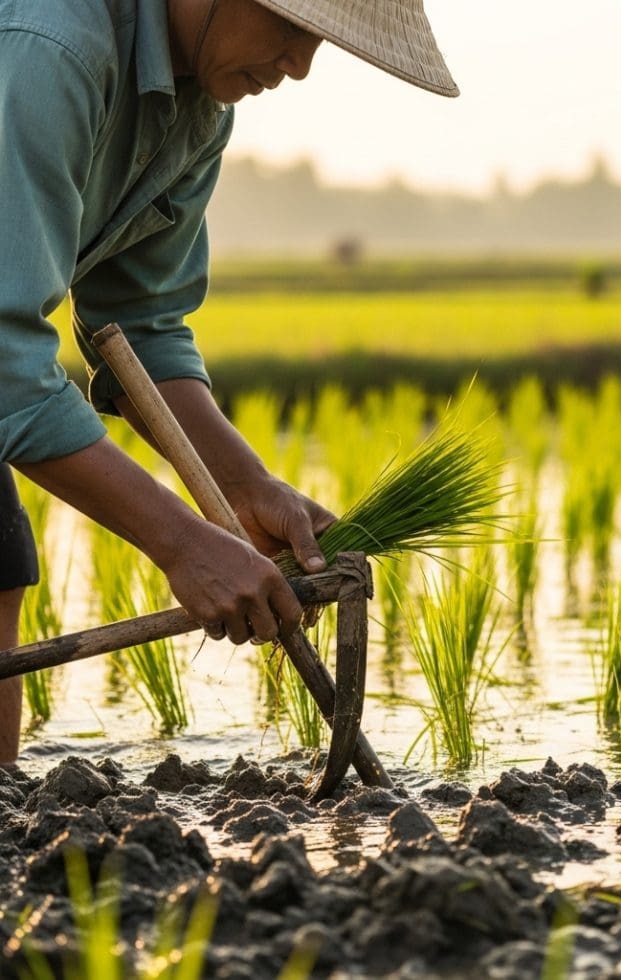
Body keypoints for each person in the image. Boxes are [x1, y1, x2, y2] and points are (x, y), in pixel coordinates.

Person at [0, 0, 458, 763]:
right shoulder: (55, 50)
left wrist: (246, 489)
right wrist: (184, 543)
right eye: (293, 27)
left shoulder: (198, 108)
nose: (301, 65)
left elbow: (141, 324)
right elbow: (5, 364)